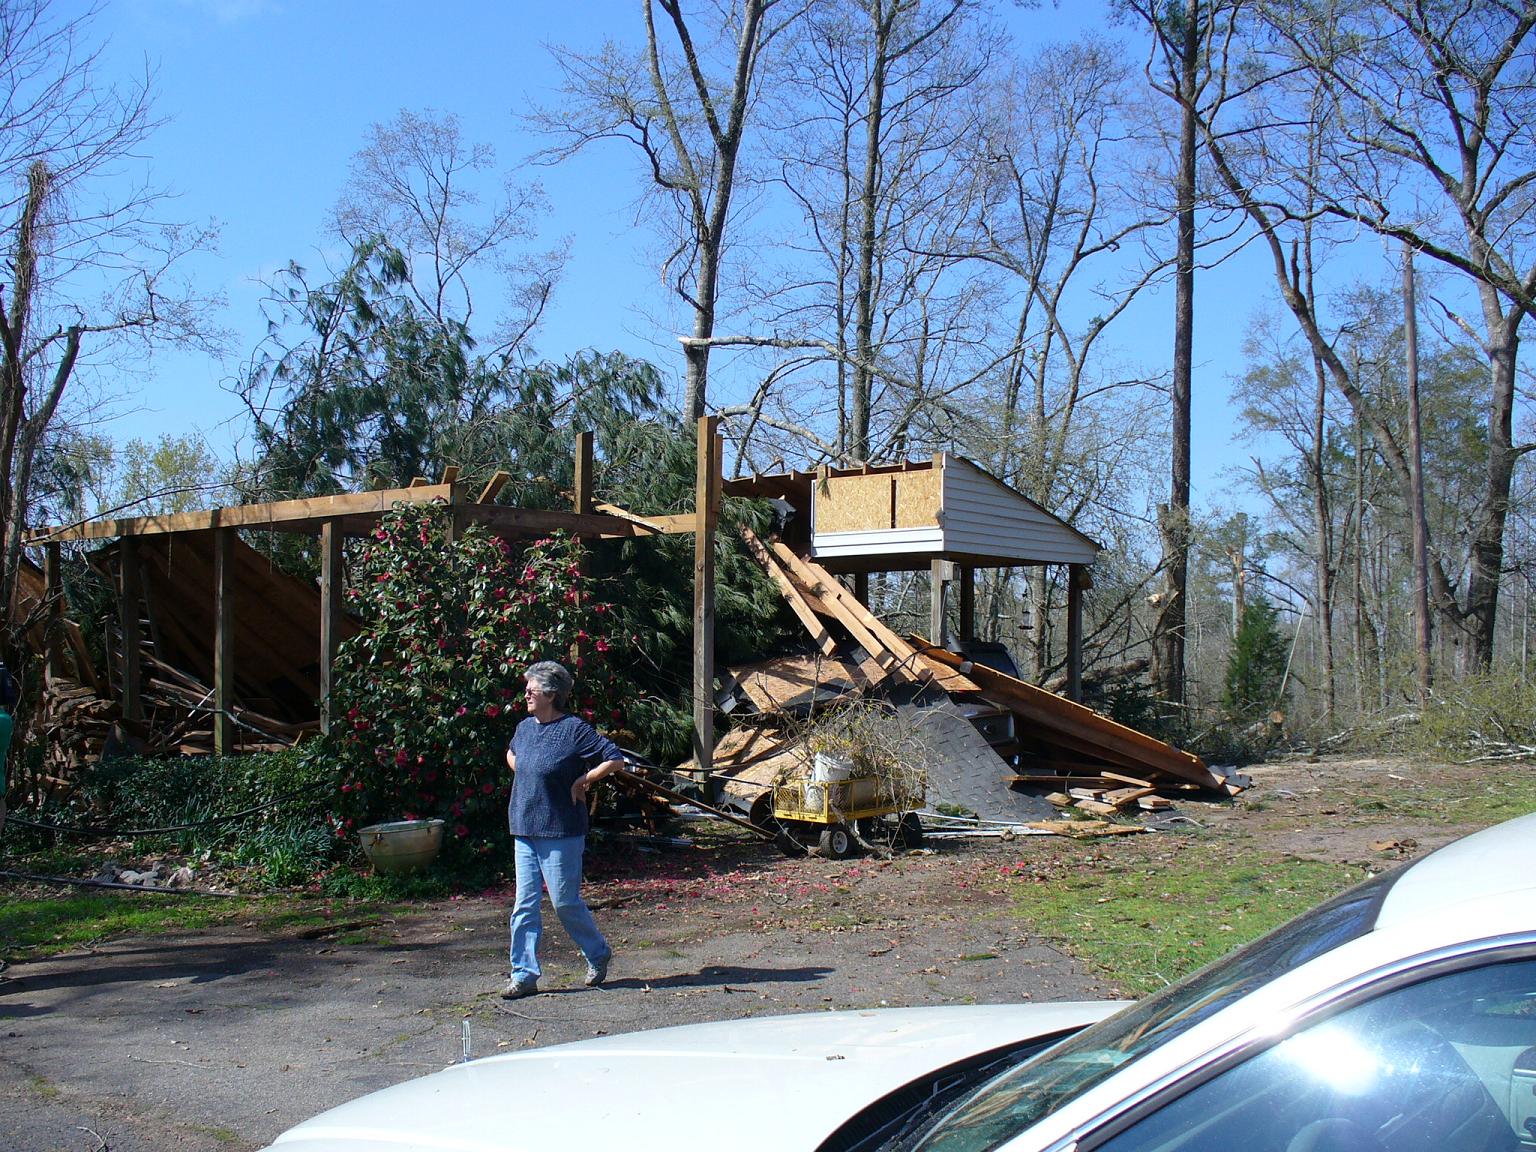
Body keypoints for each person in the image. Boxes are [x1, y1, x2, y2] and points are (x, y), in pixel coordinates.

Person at [502, 659, 625, 999]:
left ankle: (598, 953)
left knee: (564, 902)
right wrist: (523, 770)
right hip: (524, 825)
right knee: (524, 904)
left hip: (561, 829)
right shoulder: (525, 728)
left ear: (552, 694)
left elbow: (614, 757)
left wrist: (585, 779)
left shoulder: (574, 729)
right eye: (527, 687)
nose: (526, 692)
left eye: (533, 689)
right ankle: (523, 975)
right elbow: (511, 754)